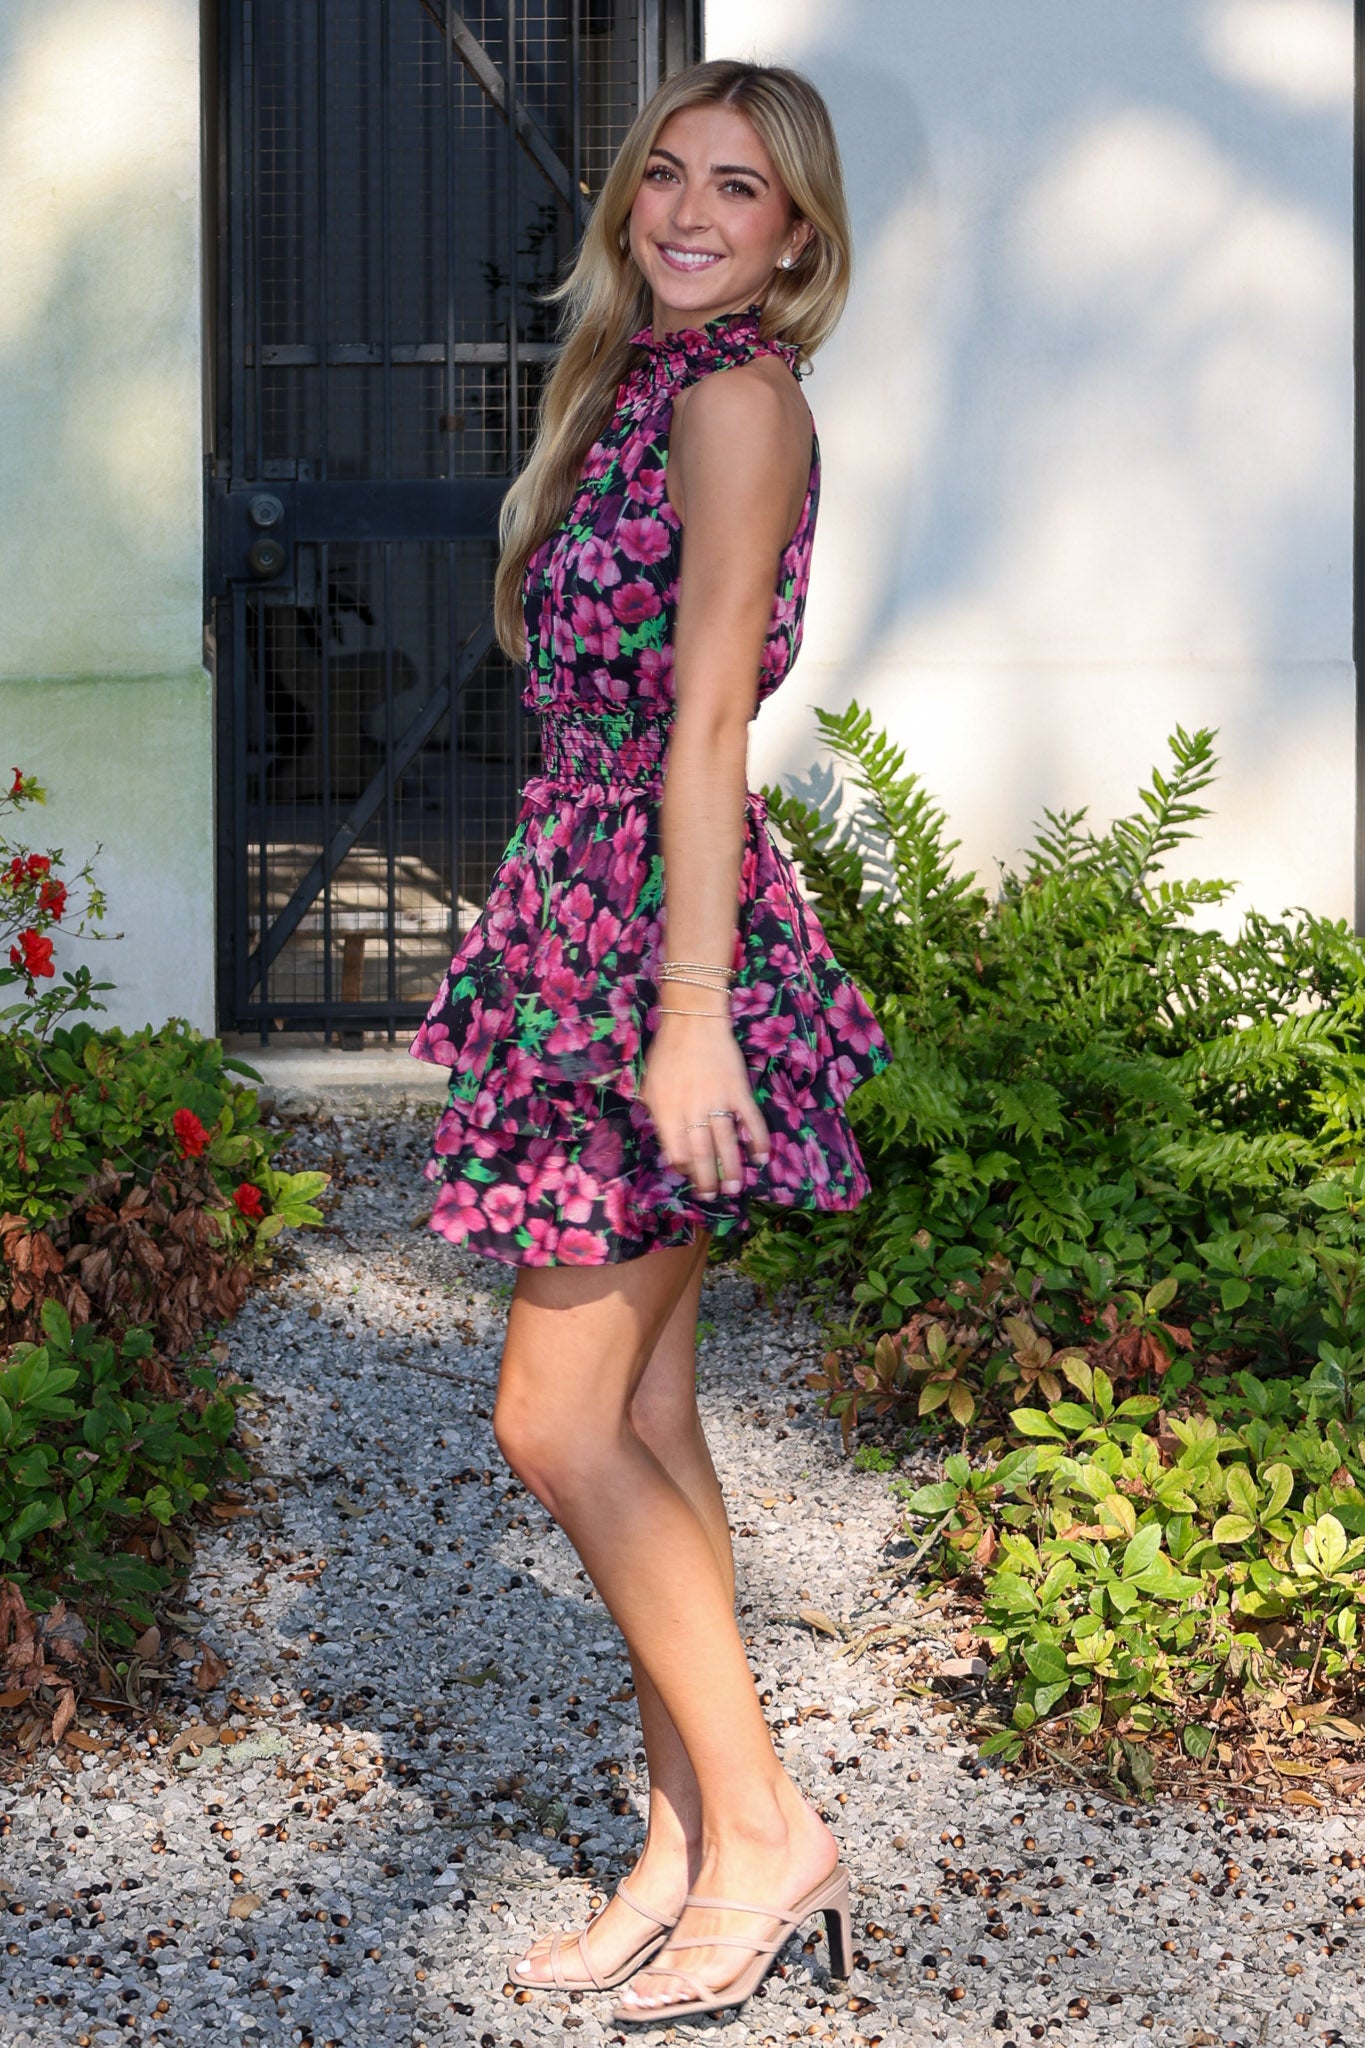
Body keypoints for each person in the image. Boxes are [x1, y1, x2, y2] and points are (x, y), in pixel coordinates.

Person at [408, 55, 891, 2025]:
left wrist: (684, 1017)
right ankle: (683, 1835)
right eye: (667, 177)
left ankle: (765, 1829)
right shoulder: (635, 386)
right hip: (588, 921)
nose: (689, 212)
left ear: (798, 235)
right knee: (648, 1415)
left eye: (739, 191)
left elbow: (705, 726)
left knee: (550, 1420)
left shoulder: (739, 404)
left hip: (656, 953)